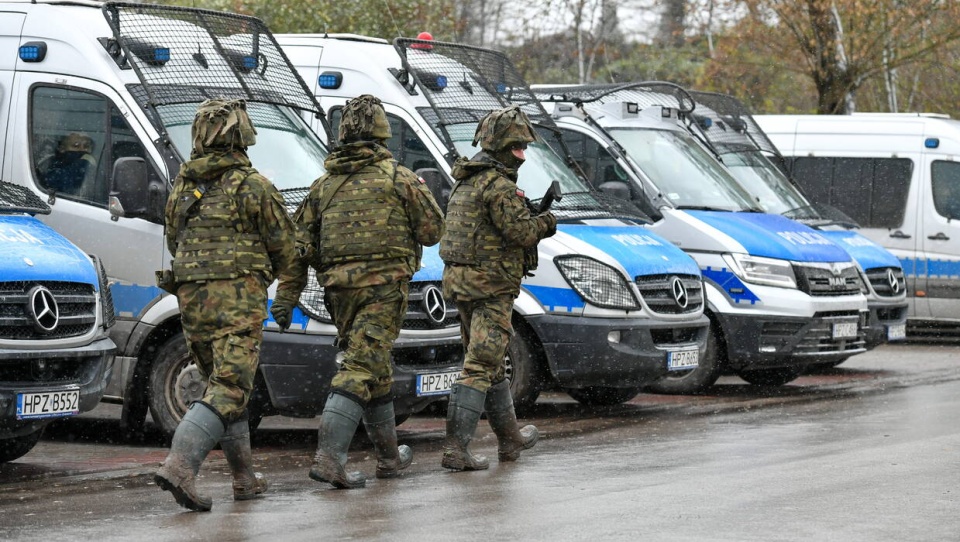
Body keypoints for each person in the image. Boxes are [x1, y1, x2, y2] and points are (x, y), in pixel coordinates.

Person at [270, 94, 445, 489]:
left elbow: (299, 250)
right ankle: (329, 460)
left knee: (376, 371)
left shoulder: (323, 187)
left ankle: (388, 458)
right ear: (383, 134)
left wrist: (286, 298)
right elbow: (433, 231)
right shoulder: (399, 179)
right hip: (383, 294)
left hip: (339, 297)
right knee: (359, 370)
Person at [154, 98, 301, 512]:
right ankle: (180, 466)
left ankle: (244, 479)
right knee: (231, 386)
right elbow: (287, 252)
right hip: (237, 303)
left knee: (223, 384)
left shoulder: (184, 187)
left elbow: (174, 241)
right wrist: (285, 300)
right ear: (242, 136)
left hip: (193, 303)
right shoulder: (254, 186)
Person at [439, 105, 557, 471]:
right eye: (518, 147)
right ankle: (456, 450)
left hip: (463, 285)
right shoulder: (498, 186)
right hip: (490, 287)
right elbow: (520, 232)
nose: (523, 154)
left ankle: (510, 439)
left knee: (490, 365)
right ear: (502, 146)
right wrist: (546, 221)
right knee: (480, 364)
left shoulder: (468, 179)